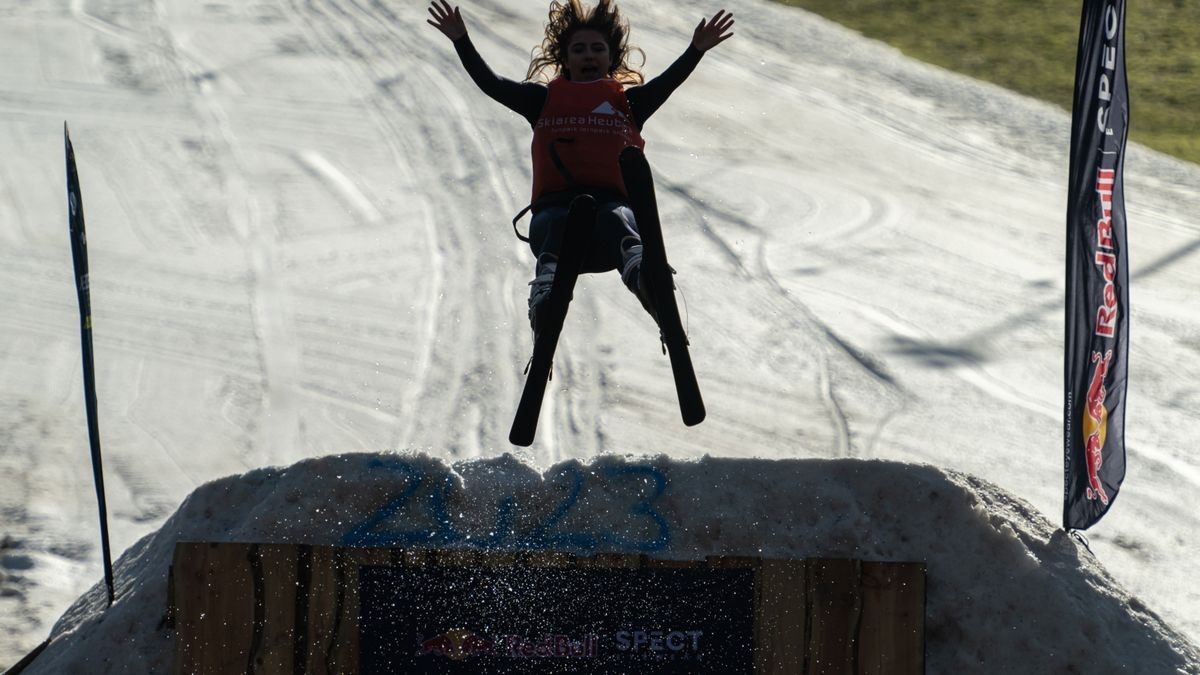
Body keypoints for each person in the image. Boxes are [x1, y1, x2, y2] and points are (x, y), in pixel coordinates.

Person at [427, 0, 734, 332]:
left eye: (597, 49)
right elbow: (492, 84)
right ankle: (546, 293)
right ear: (566, 59)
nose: (588, 55)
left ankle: (644, 278)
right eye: (579, 50)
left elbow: (667, 82)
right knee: (557, 220)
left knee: (614, 217)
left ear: (610, 58)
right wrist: (461, 41)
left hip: (611, 229)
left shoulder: (628, 104)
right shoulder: (542, 100)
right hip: (555, 221)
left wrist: (695, 49)